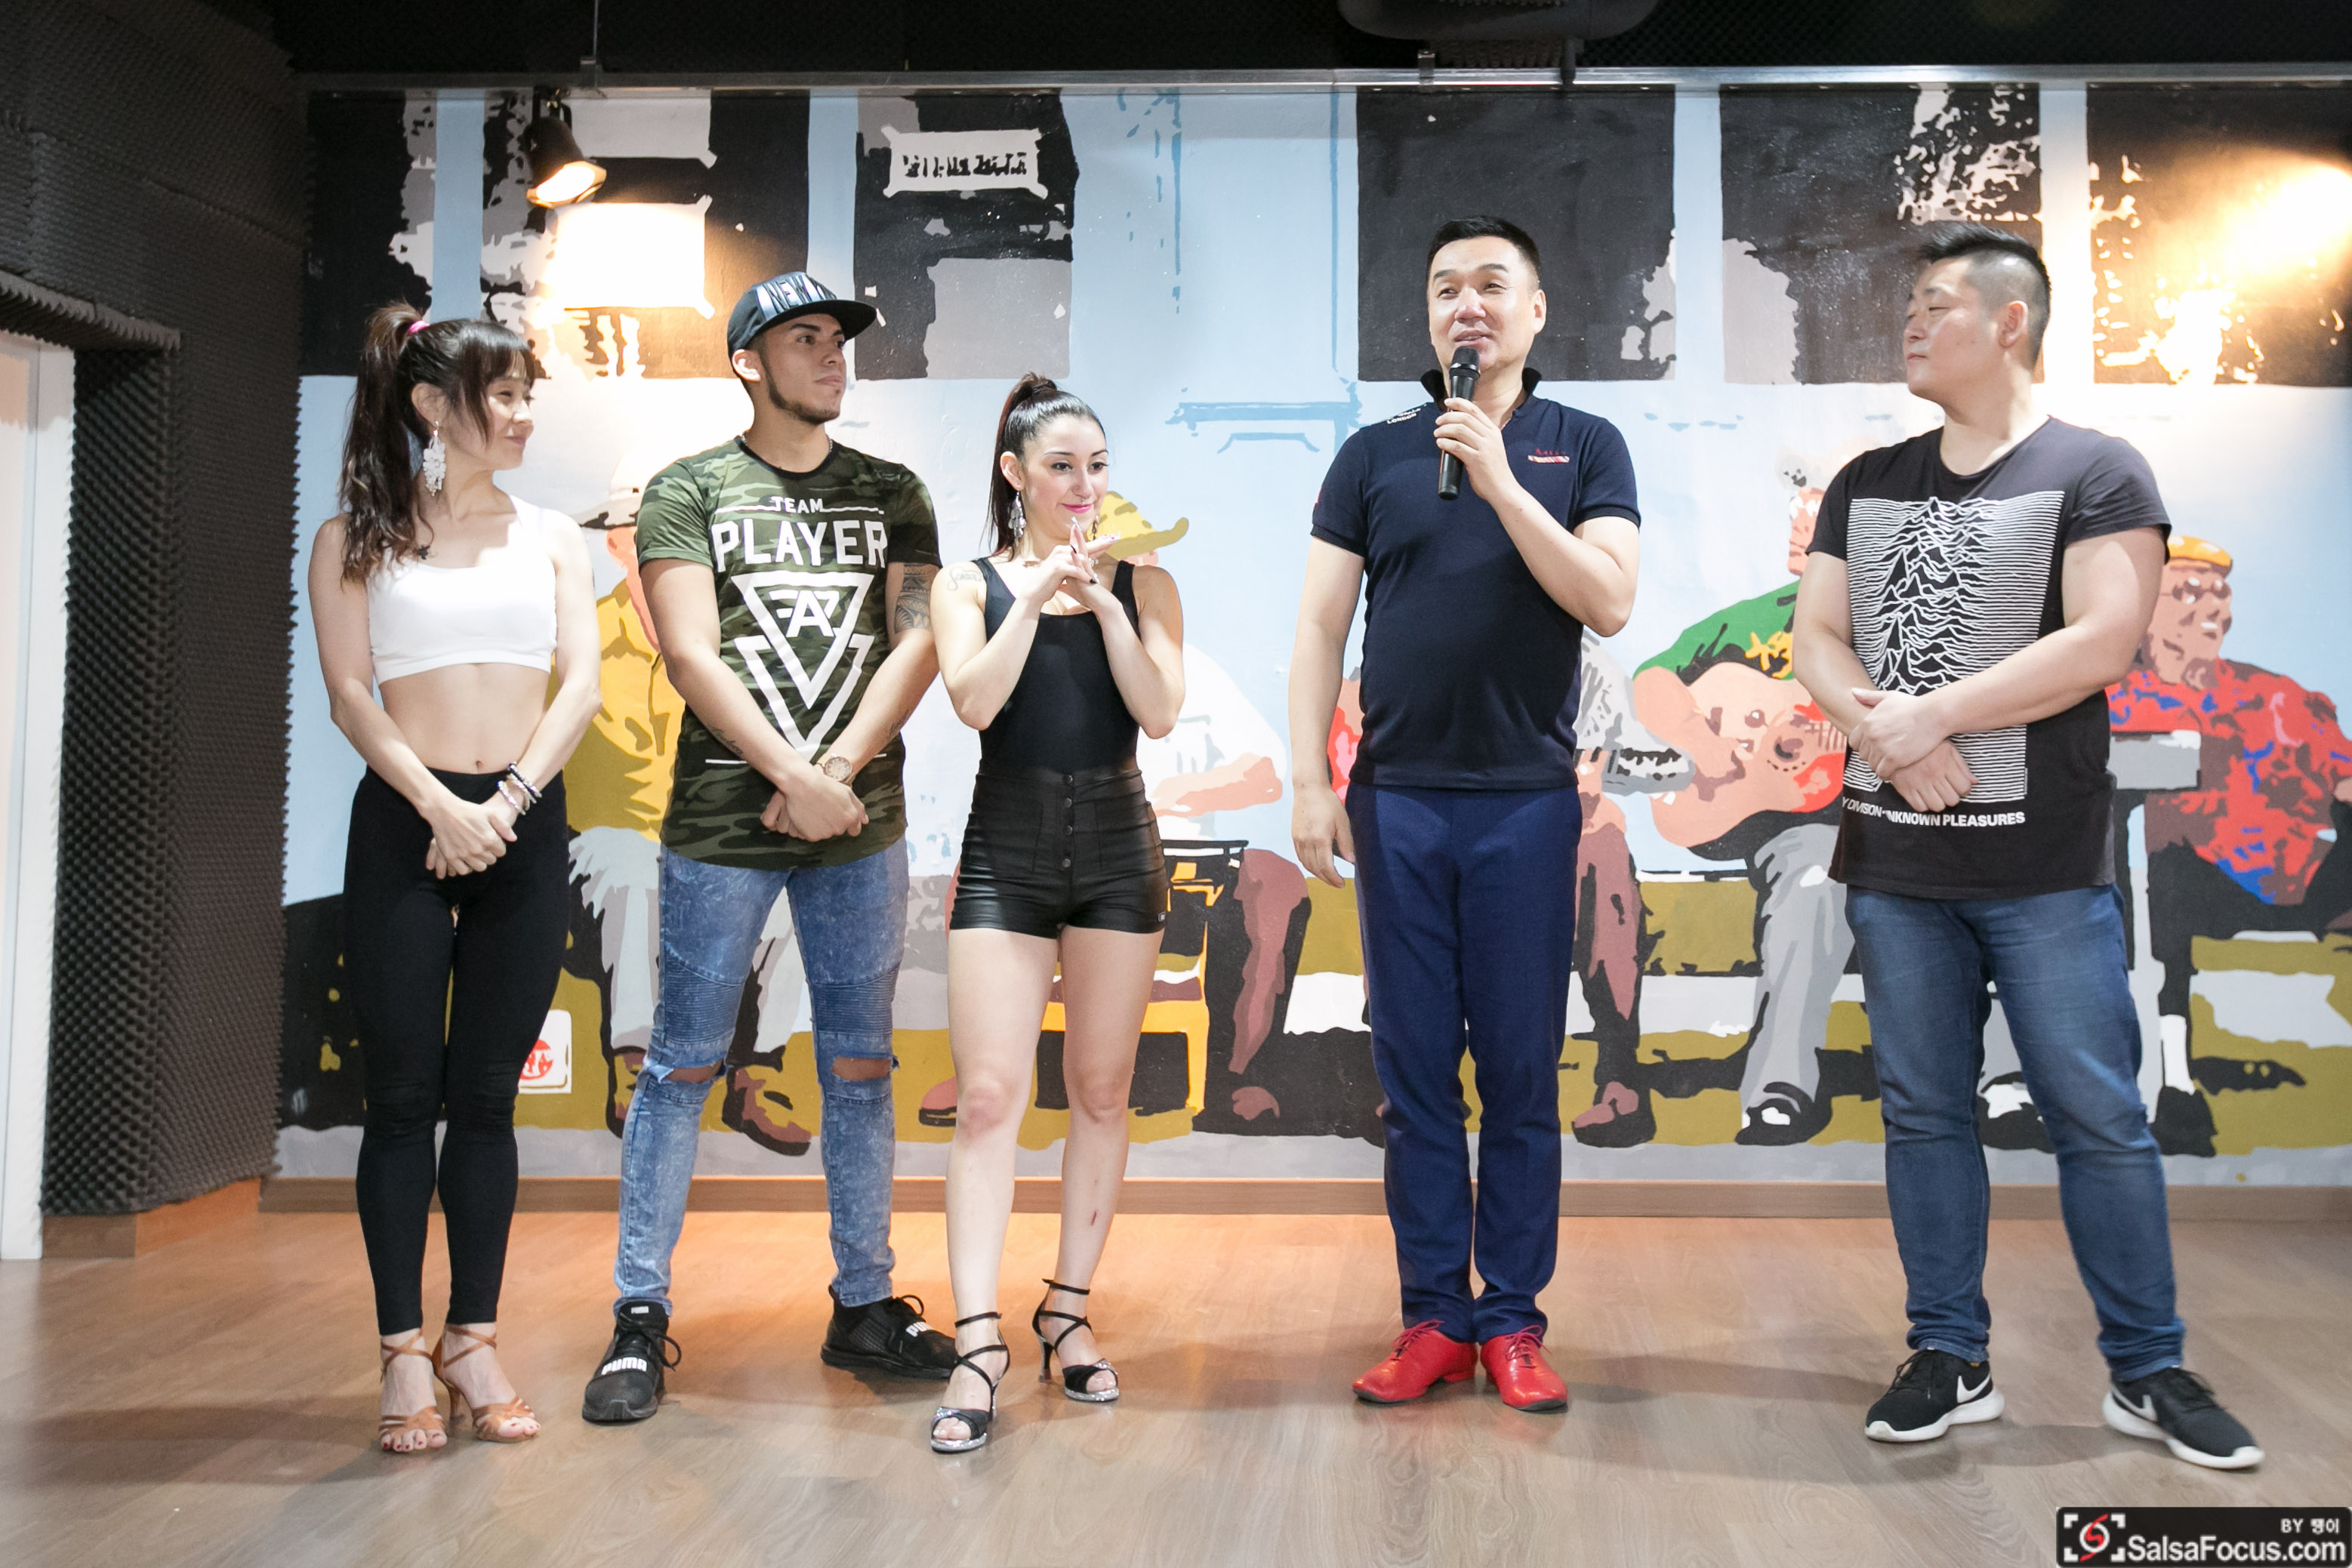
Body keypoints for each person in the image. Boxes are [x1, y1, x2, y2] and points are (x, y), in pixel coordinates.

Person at [1792, 222, 2262, 1469]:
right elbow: (1815, 638)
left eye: (1936, 302)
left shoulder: (2094, 469)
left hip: (2041, 869)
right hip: (1895, 863)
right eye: (1909, 303)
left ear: (2010, 323)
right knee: (1921, 1114)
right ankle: (1948, 1353)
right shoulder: (1866, 479)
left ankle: (2146, 1369)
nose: (1909, 321)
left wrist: (1931, 716)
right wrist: (1888, 738)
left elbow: (2103, 638)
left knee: (2097, 1115)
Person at [579, 273, 954, 1425]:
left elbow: (916, 641)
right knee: (679, 1068)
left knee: (859, 1067)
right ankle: (637, 1316)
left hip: (858, 825)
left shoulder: (892, 490)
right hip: (719, 827)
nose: (832, 354)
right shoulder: (690, 488)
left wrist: (832, 774)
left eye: (838, 337)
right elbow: (690, 652)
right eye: (805, 338)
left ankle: (863, 1302)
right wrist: (792, 778)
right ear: (747, 361)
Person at [1290, 215, 1641, 1413]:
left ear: (1535, 311)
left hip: (1523, 806)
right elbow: (1318, 627)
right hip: (1394, 801)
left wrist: (1496, 477)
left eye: (1491, 285)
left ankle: (1512, 1321)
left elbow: (1606, 600)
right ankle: (1434, 1316)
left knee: (1519, 1069)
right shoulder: (1373, 455)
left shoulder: (1581, 445)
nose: (1465, 305)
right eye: (1445, 287)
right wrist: (1308, 780)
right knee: (1413, 1076)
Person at [309, 305, 603, 1452]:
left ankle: (471, 1338)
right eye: (505, 395)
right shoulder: (353, 538)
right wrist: (440, 806)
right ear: (434, 405)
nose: (525, 415)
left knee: (486, 1101)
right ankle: (400, 1356)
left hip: (519, 826)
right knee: (399, 1101)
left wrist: (505, 806)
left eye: (530, 394)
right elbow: (351, 695)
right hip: (407, 828)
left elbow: (579, 687)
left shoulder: (553, 537)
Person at [924, 375, 1185, 1452]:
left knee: (1101, 1088)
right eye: (1061, 466)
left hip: (1119, 846)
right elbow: (975, 701)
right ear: (1015, 474)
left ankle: (1066, 1311)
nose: (1083, 485)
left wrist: (1108, 603)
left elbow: (1158, 712)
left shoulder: (1148, 581)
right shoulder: (966, 584)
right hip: (1006, 848)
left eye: (1097, 466)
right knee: (988, 1097)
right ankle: (977, 1342)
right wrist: (1034, 596)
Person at [1631, 462, 1853, 1145]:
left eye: (1813, 511)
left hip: (1889, 816)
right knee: (1814, 877)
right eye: (1795, 510)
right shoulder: (1757, 618)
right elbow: (1652, 680)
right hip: (1785, 820)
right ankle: (1779, 1091)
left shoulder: (1893, 621)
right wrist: (1703, 741)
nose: (1796, 523)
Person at [2109, 535, 2352, 1154]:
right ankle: (2170, 1081)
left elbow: (2344, 776)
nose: (2211, 607)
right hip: (2185, 886)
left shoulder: (2276, 696)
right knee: (2161, 866)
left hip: (2297, 878)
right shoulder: (2111, 698)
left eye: (2218, 592)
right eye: (2188, 592)